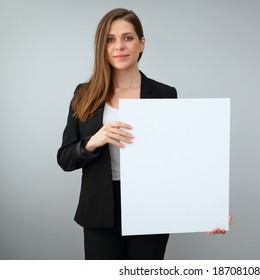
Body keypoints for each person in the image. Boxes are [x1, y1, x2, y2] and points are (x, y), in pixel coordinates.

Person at [57, 8, 230, 260]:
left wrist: (212, 208)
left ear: (141, 43)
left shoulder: (164, 94)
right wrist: (94, 141)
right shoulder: (84, 94)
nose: (119, 46)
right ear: (101, 47)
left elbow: (181, 159)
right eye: (110, 39)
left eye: (127, 38)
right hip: (99, 210)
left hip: (152, 208)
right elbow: (65, 158)